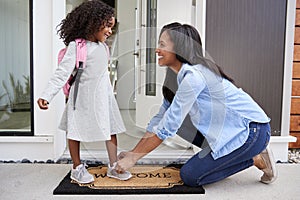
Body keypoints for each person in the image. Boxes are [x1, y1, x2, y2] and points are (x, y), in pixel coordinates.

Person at [115, 22, 277, 186]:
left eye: (162, 45)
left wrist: (134, 158)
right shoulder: (176, 79)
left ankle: (255, 158)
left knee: (190, 176)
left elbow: (168, 126)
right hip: (230, 131)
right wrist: (132, 153)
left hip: (252, 132)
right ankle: (226, 157)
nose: (157, 50)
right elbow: (160, 119)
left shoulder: (195, 76)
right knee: (178, 122)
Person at [37, 0, 131, 184]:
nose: (110, 31)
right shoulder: (77, 47)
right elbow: (62, 73)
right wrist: (46, 95)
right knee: (75, 131)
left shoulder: (104, 46)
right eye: (107, 26)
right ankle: (77, 167)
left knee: (110, 129)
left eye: (112, 27)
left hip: (103, 97)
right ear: (93, 23)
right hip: (82, 97)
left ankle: (113, 165)